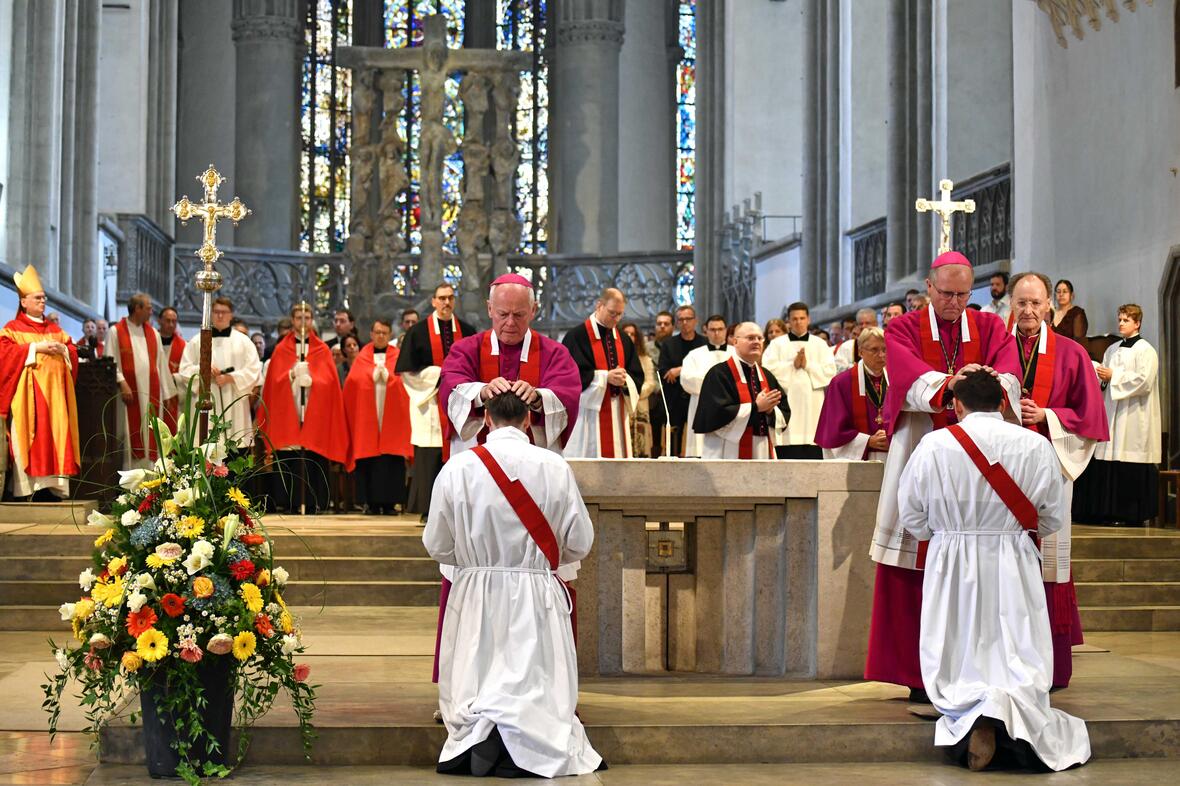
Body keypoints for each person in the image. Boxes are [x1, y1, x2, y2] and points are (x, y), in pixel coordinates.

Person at [899, 369, 1089, 772]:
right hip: (1013, 558)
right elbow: (1053, 517)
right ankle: (1008, 707)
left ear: (956, 405)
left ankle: (969, 710)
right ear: (1004, 403)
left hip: (952, 558)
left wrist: (947, 533)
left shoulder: (934, 445)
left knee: (959, 636)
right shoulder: (1035, 446)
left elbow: (911, 515)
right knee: (1014, 640)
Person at [866, 250, 1022, 702]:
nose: (955, 302)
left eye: (963, 293)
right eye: (946, 293)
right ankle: (918, 674)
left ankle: (976, 666)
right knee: (915, 560)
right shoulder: (902, 327)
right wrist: (955, 383)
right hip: (922, 450)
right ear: (929, 288)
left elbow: (1008, 376)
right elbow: (908, 377)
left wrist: (983, 381)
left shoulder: (991, 326)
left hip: (981, 465)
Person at [424, 392, 602, 777]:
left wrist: (474, 563)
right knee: (533, 673)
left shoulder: (458, 468)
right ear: (526, 421)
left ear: (486, 419)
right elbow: (580, 542)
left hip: (476, 591)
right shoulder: (554, 466)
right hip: (536, 590)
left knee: (480, 666)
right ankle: (531, 742)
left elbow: (436, 543)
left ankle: (479, 737)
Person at [1008, 272, 1109, 688]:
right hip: (1002, 474)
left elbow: (1090, 418)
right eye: (1021, 303)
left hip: (1051, 467)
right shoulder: (996, 349)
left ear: (1050, 305)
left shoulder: (1071, 353)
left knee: (1049, 562)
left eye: (1036, 303)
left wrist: (1046, 416)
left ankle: (1050, 665)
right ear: (1010, 305)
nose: (1028, 311)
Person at [439, 274, 581, 456]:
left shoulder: (555, 353)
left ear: (533, 310)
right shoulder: (465, 349)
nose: (510, 322)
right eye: (503, 314)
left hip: (533, 461)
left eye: (519, 314)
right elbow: (449, 388)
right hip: (477, 462)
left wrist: (538, 397)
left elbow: (568, 395)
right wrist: (482, 392)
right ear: (490, 308)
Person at [1073, 304, 1162, 526]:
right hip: (1113, 413)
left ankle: (1131, 515)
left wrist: (1115, 375)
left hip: (1134, 417)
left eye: (1126, 320)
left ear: (1137, 323)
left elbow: (1144, 382)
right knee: (1109, 462)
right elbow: (1105, 379)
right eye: (1120, 319)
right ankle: (1109, 513)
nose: (1121, 323)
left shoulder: (1146, 351)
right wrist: (1101, 375)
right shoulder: (1112, 350)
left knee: (1129, 464)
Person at [257, 302, 349, 514]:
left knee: (313, 456)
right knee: (290, 454)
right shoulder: (281, 349)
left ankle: (314, 501)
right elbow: (273, 384)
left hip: (313, 411)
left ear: (312, 319)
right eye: (299, 318)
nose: (303, 322)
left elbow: (330, 383)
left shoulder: (322, 349)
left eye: (307, 318)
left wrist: (313, 381)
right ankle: (289, 501)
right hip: (289, 411)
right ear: (292, 321)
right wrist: (290, 375)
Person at [396, 283, 477, 518]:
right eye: (441, 298)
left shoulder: (468, 330)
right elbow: (407, 373)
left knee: (459, 457)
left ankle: (458, 511)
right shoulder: (418, 332)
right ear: (433, 301)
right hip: (430, 405)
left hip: (459, 406)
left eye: (450, 298)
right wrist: (439, 374)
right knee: (429, 458)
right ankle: (429, 511)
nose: (446, 303)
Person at [0, 265, 80, 499]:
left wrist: (63, 348)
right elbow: (4, 356)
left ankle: (54, 488)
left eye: (44, 298)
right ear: (23, 302)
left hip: (56, 401)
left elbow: (73, 350)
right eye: (37, 298)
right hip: (28, 399)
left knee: (56, 439)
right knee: (29, 438)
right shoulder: (12, 330)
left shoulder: (55, 330)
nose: (43, 301)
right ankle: (28, 490)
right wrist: (36, 348)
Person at [562, 288, 645, 458]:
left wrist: (625, 380)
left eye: (620, 314)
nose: (616, 319)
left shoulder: (623, 338)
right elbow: (570, 376)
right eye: (612, 313)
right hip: (587, 413)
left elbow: (636, 374)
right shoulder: (576, 336)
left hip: (616, 411)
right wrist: (605, 377)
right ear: (599, 305)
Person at [344, 319, 413, 515]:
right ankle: (371, 503)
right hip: (368, 418)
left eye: (384, 332)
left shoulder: (398, 356)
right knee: (369, 460)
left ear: (390, 335)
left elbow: (406, 384)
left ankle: (391, 504)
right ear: (371, 335)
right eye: (377, 332)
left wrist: (390, 379)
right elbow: (353, 382)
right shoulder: (363, 356)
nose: (380, 336)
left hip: (392, 419)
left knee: (391, 460)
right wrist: (370, 377)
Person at [176, 297, 262, 455]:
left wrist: (231, 378)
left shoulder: (243, 342)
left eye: (224, 312)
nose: (220, 316)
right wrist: (203, 370)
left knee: (235, 457)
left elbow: (254, 370)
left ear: (231, 315)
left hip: (234, 403)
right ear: (211, 314)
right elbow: (185, 370)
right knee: (206, 449)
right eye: (216, 312)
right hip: (207, 403)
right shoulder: (197, 341)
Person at [691, 322, 788, 459]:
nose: (756, 342)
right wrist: (756, 407)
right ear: (735, 342)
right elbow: (716, 413)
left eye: (759, 338)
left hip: (762, 447)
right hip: (727, 448)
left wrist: (770, 411)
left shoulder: (767, 376)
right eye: (750, 338)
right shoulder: (719, 374)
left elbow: (784, 410)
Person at [105, 293, 178, 469]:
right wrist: (122, 382)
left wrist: (168, 394)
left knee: (151, 434)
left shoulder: (153, 333)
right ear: (137, 308)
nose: (152, 311)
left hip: (152, 395)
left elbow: (161, 365)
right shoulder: (116, 331)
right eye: (148, 308)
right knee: (130, 434)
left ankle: (150, 476)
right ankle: (129, 478)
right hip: (128, 394)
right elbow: (109, 360)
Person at [761, 302, 836, 459]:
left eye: (802, 318)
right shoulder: (776, 344)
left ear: (808, 319)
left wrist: (807, 365)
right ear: (788, 321)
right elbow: (767, 371)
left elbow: (830, 372)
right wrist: (792, 365)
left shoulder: (820, 344)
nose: (798, 322)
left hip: (813, 404)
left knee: (813, 447)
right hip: (788, 402)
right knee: (787, 450)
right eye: (794, 319)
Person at [815, 327, 890, 461]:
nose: (881, 355)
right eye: (874, 350)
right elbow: (833, 430)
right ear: (860, 352)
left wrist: (891, 437)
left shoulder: (895, 380)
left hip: (891, 456)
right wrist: (867, 441)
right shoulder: (841, 383)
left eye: (884, 349)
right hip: (857, 459)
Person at [657, 305, 707, 456]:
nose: (685, 322)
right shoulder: (669, 344)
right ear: (677, 323)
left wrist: (680, 370)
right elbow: (664, 372)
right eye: (681, 319)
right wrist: (673, 372)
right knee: (674, 439)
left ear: (695, 321)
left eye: (688, 319)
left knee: (698, 438)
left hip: (698, 397)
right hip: (675, 397)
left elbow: (707, 370)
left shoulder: (704, 344)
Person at [680, 315, 730, 458]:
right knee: (701, 449)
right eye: (712, 329)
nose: (716, 333)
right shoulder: (695, 355)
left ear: (726, 330)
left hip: (729, 408)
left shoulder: (735, 353)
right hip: (701, 406)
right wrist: (719, 383)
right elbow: (686, 379)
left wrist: (710, 381)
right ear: (705, 331)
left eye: (720, 329)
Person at [620, 323, 658, 457]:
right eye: (626, 333)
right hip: (621, 405)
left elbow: (650, 383)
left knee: (641, 446)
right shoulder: (616, 358)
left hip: (640, 405)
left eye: (632, 334)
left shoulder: (645, 359)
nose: (629, 337)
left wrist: (632, 392)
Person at [648, 311, 674, 456]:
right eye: (659, 324)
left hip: (673, 393)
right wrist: (657, 387)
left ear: (672, 326)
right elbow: (646, 369)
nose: (662, 327)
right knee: (655, 432)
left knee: (674, 431)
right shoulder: (646, 347)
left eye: (666, 324)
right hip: (655, 394)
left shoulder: (676, 346)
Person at [158, 307, 186, 432]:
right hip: (154, 392)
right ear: (160, 321)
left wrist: (174, 379)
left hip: (174, 396)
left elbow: (187, 372)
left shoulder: (184, 345)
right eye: (167, 320)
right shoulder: (150, 339)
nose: (171, 324)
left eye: (174, 321)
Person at [834, 307, 878, 373]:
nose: (863, 326)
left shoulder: (884, 344)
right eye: (861, 323)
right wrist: (860, 368)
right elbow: (838, 367)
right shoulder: (847, 347)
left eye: (867, 323)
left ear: (876, 324)